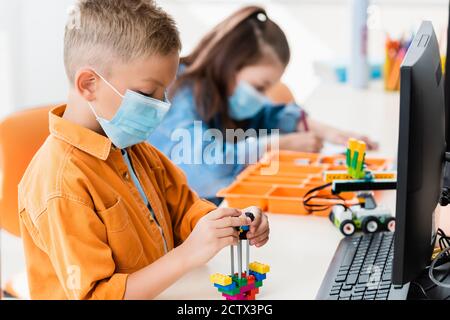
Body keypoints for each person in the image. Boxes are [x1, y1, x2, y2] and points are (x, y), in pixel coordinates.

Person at [18, 0, 269, 300]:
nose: (161, 105)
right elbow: (96, 296)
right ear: (88, 84)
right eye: (148, 93)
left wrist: (230, 223)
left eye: (164, 92)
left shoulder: (133, 148)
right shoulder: (61, 186)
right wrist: (188, 254)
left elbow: (185, 209)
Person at [149, 6, 377, 204]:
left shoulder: (220, 93)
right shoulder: (181, 95)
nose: (262, 97)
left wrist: (329, 132)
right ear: (229, 65)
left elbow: (268, 115)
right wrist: (276, 146)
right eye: (259, 87)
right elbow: (207, 167)